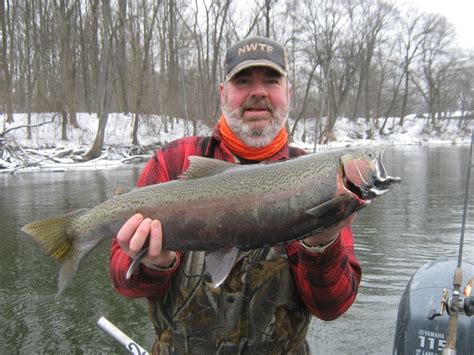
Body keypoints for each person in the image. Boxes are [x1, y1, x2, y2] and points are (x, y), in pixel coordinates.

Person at [110, 36, 361, 354]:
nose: (258, 92)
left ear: (288, 93)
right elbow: (123, 280)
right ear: (222, 93)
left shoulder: (319, 177)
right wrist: (154, 264)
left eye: (271, 81)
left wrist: (320, 242)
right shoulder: (174, 161)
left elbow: (332, 306)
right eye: (243, 81)